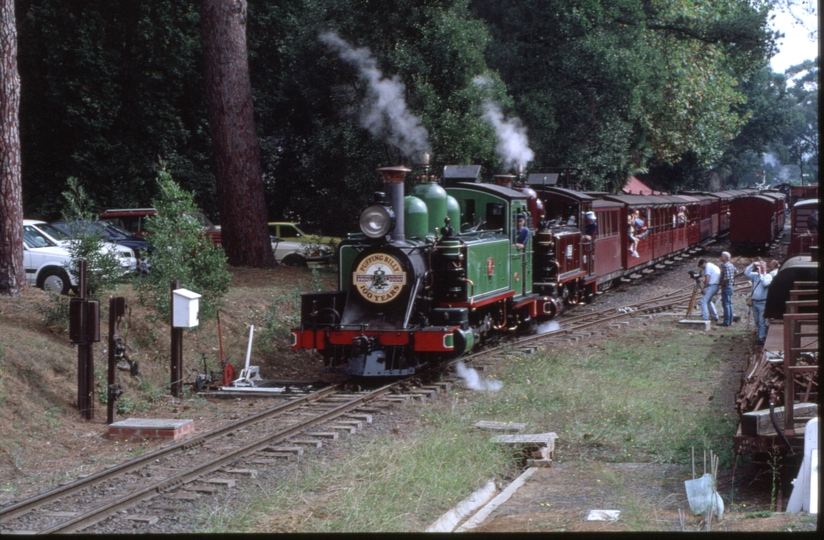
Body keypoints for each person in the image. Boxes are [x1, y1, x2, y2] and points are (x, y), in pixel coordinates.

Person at [744, 260, 773, 342]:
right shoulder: (755, 275)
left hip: (763, 302)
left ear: (766, 268)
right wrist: (752, 265)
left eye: (762, 267)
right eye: (759, 267)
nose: (760, 268)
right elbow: (746, 273)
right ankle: (760, 335)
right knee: (757, 321)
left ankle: (761, 338)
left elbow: (765, 284)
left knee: (761, 321)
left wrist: (760, 274)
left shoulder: (768, 276)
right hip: (754, 302)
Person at [697, 258, 720, 323]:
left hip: (712, 286)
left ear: (704, 263)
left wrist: (705, 287)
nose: (702, 268)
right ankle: (715, 316)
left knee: (703, 301)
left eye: (701, 266)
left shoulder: (707, 266)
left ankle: (705, 318)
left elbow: (707, 276)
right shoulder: (713, 266)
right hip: (716, 285)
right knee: (709, 301)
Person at [719, 251, 736, 326]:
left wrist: (722, 286)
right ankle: (730, 320)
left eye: (722, 256)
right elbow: (736, 271)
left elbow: (726, 278)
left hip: (726, 286)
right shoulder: (731, 265)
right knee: (729, 304)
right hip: (730, 286)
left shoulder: (725, 266)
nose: (721, 257)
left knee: (726, 304)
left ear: (725, 258)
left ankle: (726, 321)